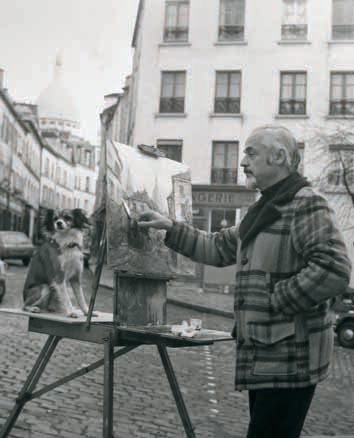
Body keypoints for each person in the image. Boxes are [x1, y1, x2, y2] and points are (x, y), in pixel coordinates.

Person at [137, 125, 352, 438]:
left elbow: (334, 269)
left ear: (279, 156)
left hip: (291, 358)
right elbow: (217, 246)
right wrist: (169, 227)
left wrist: (276, 300)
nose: (242, 161)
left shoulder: (306, 202)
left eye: (251, 152)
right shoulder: (264, 207)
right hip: (268, 357)